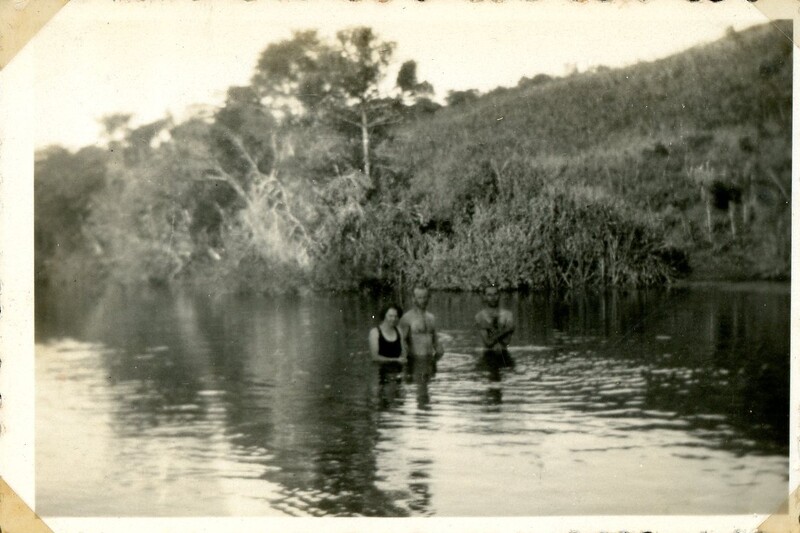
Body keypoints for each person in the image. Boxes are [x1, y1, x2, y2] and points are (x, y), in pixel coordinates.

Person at [398, 284, 444, 362]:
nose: (423, 300)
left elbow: (436, 342)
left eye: (425, 297)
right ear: (413, 299)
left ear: (428, 298)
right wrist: (405, 364)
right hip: (415, 361)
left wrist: (440, 356)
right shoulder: (407, 318)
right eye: (419, 298)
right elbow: (401, 342)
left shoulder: (431, 318)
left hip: (430, 361)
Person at [474, 285, 515, 353]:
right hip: (487, 354)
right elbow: (488, 343)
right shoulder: (479, 316)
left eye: (495, 294)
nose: (493, 298)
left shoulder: (508, 315)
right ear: (484, 297)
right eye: (489, 295)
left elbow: (506, 342)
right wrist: (506, 330)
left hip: (504, 353)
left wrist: (491, 331)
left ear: (499, 295)